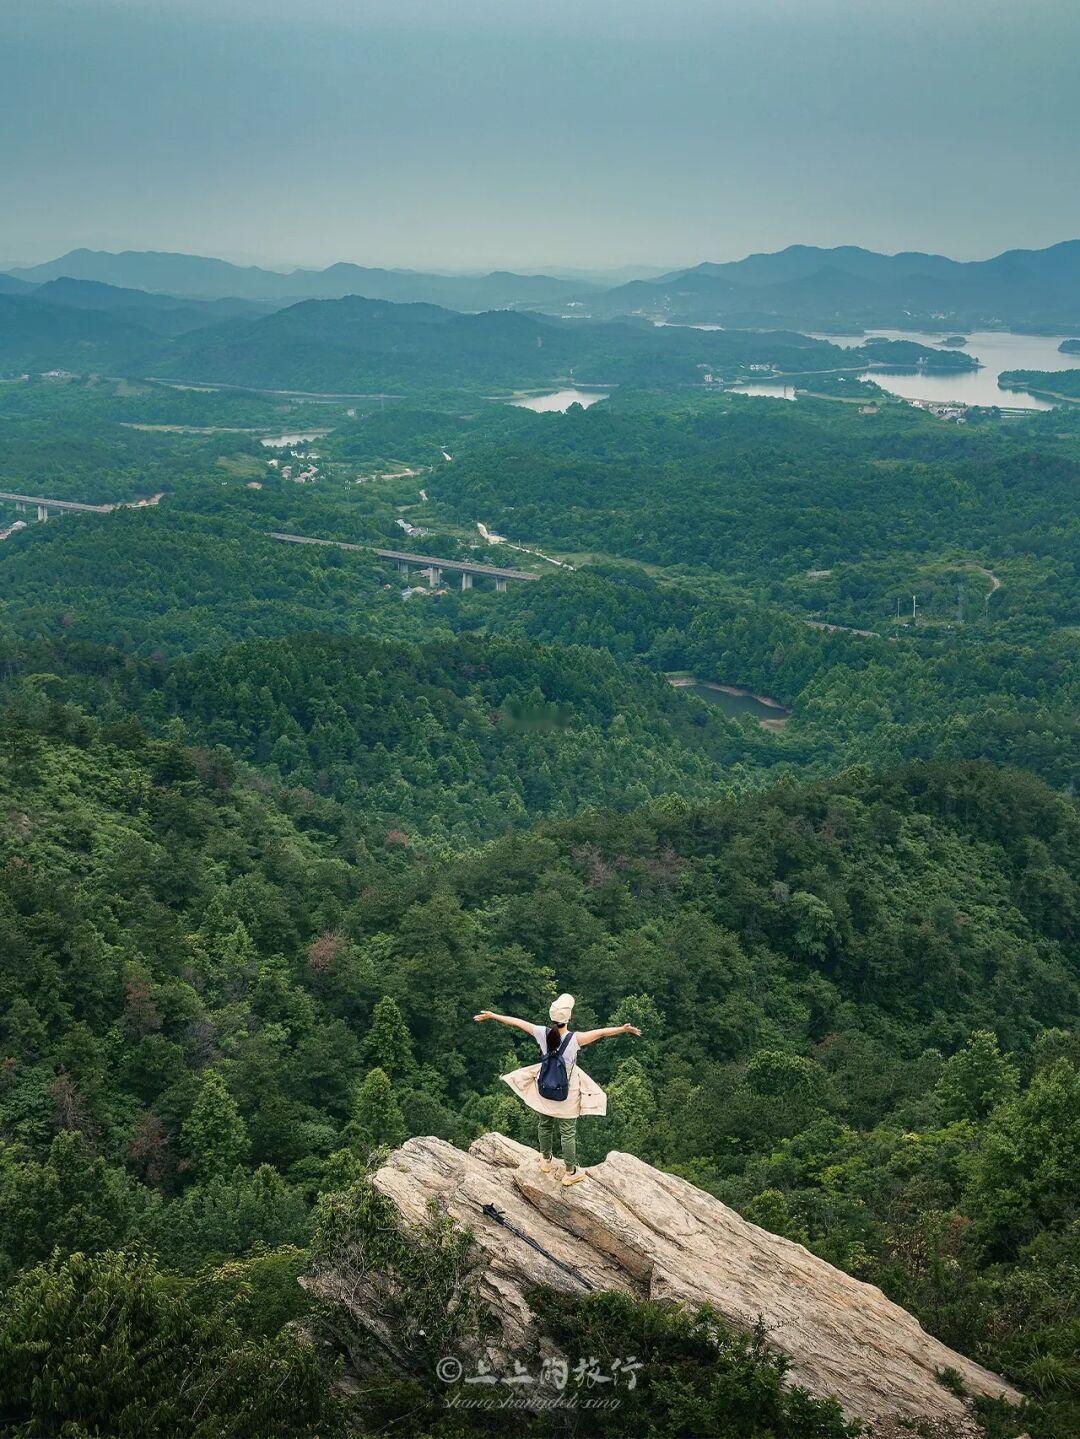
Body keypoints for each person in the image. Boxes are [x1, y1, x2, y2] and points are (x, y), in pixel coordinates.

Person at [473, 993, 641, 1185]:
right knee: (567, 1132)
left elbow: (518, 1023)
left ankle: (545, 1160)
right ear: (568, 1017)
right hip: (566, 1094)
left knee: (544, 1124)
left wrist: (493, 1015)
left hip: (545, 1088)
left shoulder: (542, 1033)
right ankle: (570, 1172)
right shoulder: (575, 1039)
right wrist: (623, 1029)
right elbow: (601, 1032)